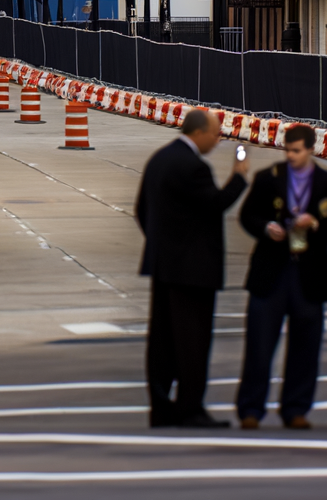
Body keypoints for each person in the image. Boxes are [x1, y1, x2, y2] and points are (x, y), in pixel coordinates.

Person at [136, 108, 249, 428]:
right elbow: (216, 204)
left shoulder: (159, 159)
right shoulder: (193, 167)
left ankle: (160, 406)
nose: (218, 140)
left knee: (162, 339)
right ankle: (190, 408)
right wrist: (239, 177)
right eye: (216, 134)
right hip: (193, 269)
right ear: (198, 132)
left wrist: (163, 245)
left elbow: (142, 210)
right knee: (192, 341)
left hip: (164, 265)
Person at [236, 123, 327, 429]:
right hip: (273, 270)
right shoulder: (269, 178)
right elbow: (247, 215)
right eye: (287, 150)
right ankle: (251, 409)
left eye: (296, 151)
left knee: (306, 346)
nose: (291, 156)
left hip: (309, 272)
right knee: (259, 343)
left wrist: (316, 225)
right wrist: (267, 228)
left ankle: (296, 409)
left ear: (310, 149)